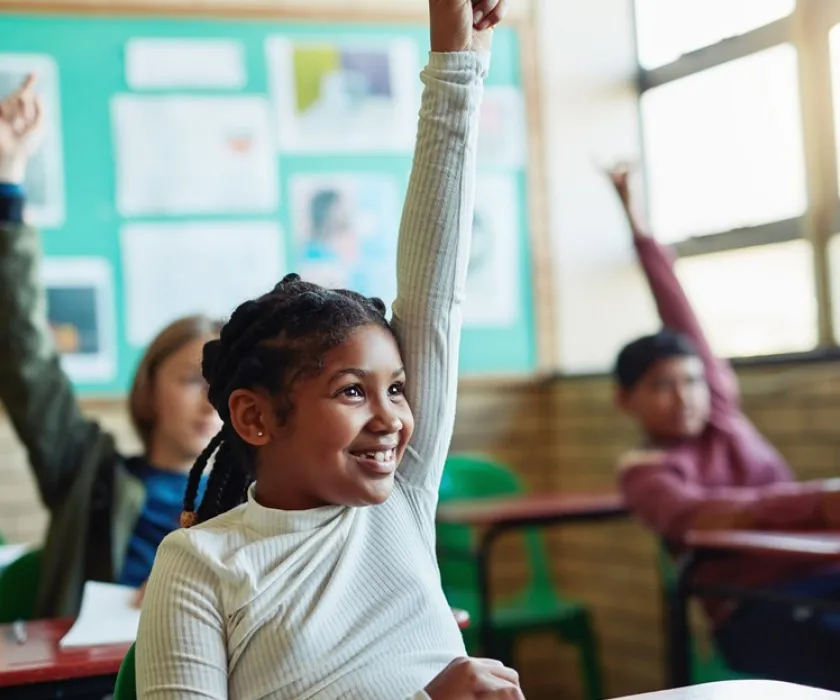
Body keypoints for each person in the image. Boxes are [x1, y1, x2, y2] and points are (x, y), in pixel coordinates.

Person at [136, 1, 524, 699]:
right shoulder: (200, 564)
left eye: (398, 388)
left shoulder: (398, 497)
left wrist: (459, 60)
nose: (393, 418)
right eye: (352, 391)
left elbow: (437, 291)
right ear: (256, 417)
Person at [606, 164, 840, 690]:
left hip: (822, 576)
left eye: (692, 381)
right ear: (627, 401)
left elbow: (679, 313)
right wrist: (818, 501)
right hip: (754, 613)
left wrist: (638, 226)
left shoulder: (721, 415)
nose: (685, 397)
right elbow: (701, 515)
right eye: (662, 386)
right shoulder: (646, 475)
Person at [0, 75, 222, 617]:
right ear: (148, 389)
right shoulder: (89, 476)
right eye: (192, 379)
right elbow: (24, 353)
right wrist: (7, 176)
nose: (209, 402)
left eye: (225, 386)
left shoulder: (257, 499)